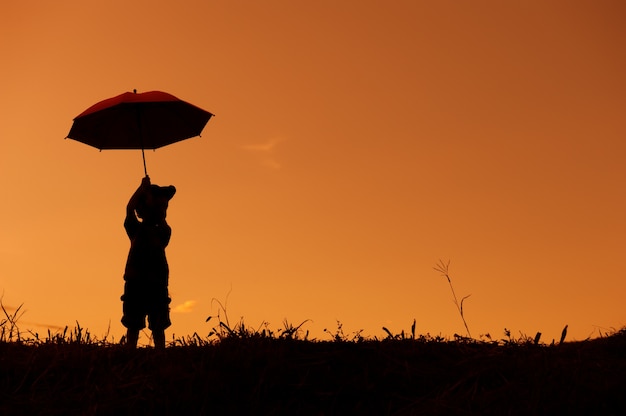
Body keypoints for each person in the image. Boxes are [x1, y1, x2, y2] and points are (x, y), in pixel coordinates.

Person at [121, 176, 176, 349]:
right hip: (136, 283)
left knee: (158, 325)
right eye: (160, 206)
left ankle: (160, 351)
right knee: (133, 324)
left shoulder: (164, 231)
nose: (163, 210)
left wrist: (151, 201)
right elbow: (129, 209)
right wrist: (141, 189)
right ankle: (130, 350)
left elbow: (155, 218)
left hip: (157, 284)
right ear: (142, 209)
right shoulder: (135, 229)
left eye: (165, 207)